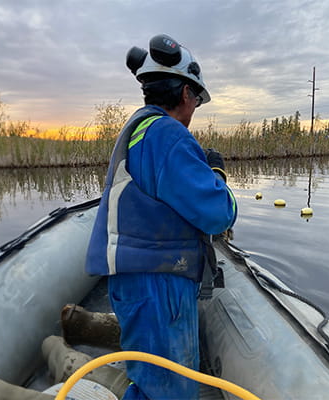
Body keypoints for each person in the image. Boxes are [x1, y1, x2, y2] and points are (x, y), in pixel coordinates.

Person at [85, 34, 238, 400]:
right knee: (169, 390)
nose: (196, 106)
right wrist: (217, 174)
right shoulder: (168, 135)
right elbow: (219, 214)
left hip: (137, 283)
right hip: (160, 288)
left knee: (152, 382)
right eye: (197, 98)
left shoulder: (138, 130)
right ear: (186, 93)